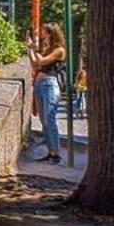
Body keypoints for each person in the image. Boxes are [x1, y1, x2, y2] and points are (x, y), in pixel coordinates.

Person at [30, 23, 67, 165]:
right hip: (40, 85)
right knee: (44, 121)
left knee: (49, 119)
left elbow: (41, 61)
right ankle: (50, 152)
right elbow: (35, 64)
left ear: (52, 34)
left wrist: (34, 48)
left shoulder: (59, 50)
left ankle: (56, 154)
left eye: (44, 32)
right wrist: (30, 49)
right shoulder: (47, 49)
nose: (42, 35)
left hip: (50, 85)